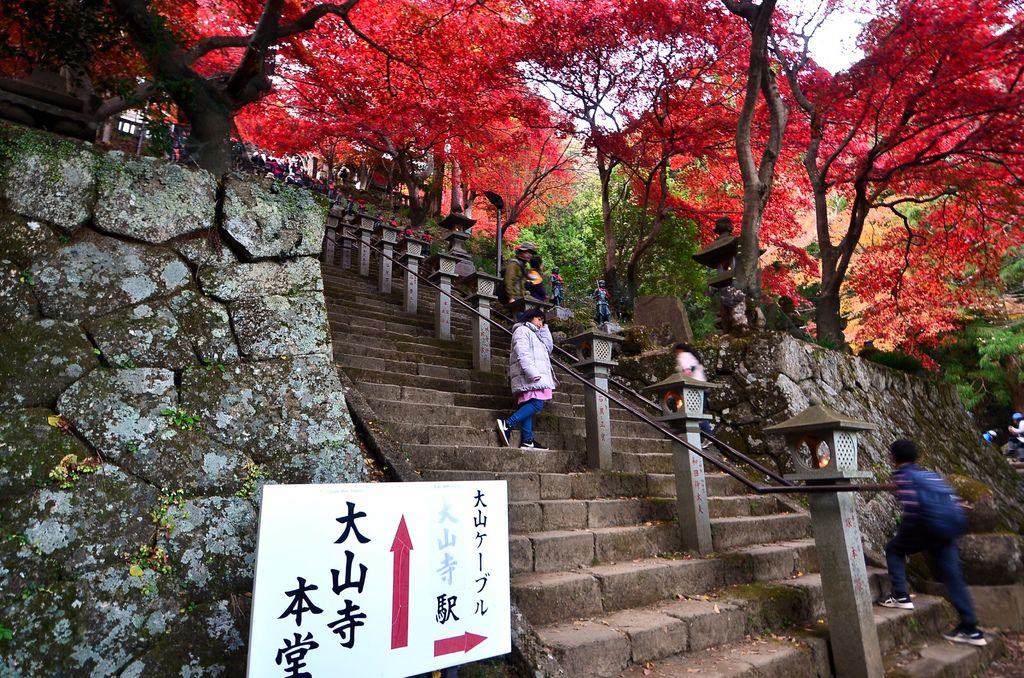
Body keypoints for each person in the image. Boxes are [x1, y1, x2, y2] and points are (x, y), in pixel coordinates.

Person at [875, 439, 986, 647]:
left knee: (894, 549)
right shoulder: (930, 475)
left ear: (894, 458)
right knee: (952, 576)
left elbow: (912, 509)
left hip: (927, 526)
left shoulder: (903, 476)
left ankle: (900, 595)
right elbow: (952, 499)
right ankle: (970, 628)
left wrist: (904, 536)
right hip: (950, 528)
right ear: (917, 458)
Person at [496, 308, 557, 450]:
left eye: (543, 321)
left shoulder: (536, 334)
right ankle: (507, 424)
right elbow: (522, 353)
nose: (541, 324)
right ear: (530, 317)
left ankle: (527, 440)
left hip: (533, 376)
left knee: (527, 405)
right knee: (537, 404)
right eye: (539, 319)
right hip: (529, 376)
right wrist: (532, 372)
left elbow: (548, 347)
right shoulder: (521, 331)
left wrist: (544, 327)